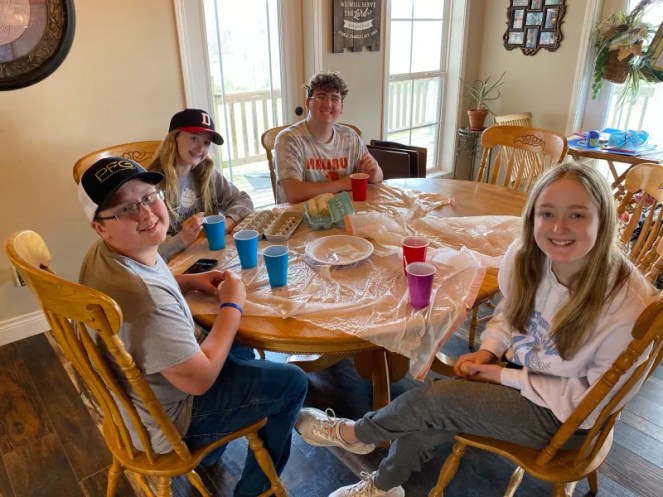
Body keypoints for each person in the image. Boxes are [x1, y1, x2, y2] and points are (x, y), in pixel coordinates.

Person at [294, 162, 658, 497]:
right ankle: (384, 485)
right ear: (532, 216)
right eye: (547, 213)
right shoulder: (529, 255)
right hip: (527, 372)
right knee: (435, 408)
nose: (558, 228)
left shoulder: (627, 307)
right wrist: (489, 351)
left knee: (434, 402)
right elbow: (511, 312)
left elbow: (591, 402)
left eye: (577, 215)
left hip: (564, 417)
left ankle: (355, 434)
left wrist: (503, 376)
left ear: (603, 220)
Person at [77, 157, 307, 497]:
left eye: (148, 197)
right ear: (101, 227)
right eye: (125, 209)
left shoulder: (108, 255)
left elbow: (152, 281)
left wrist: (188, 281)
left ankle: (212, 452)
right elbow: (199, 380)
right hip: (171, 423)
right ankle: (255, 490)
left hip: (140, 402)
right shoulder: (145, 300)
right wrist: (232, 305)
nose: (146, 213)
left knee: (238, 346)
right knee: (291, 382)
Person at [149, 108, 254, 261]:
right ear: (174, 138)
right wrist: (182, 239)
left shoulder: (207, 172)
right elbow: (146, 252)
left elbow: (244, 200)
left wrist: (226, 224)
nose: (201, 148)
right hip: (174, 266)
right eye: (194, 138)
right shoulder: (151, 186)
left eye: (206, 142)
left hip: (209, 256)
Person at [274, 71, 383, 204]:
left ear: (341, 107)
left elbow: (378, 175)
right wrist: (345, 183)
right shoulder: (288, 140)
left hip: (344, 210)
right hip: (299, 214)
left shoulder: (351, 137)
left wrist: (374, 172)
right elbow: (294, 193)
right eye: (321, 96)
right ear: (308, 103)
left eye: (335, 99)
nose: (328, 103)